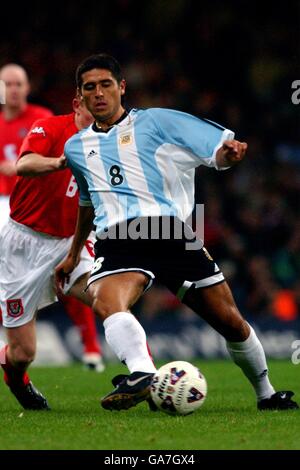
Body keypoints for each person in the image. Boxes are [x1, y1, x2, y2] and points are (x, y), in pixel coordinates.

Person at [55, 53, 298, 412]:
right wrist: (75, 253)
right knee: (109, 301)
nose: (99, 93)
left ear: (121, 87)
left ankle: (266, 394)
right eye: (90, 87)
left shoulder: (156, 122)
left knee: (230, 321)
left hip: (169, 231)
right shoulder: (75, 148)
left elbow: (214, 149)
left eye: (106, 84)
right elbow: (88, 202)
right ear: (80, 95)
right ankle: (142, 372)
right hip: (118, 237)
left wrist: (227, 153)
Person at [0, 96, 105, 411]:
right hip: (22, 243)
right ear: (76, 104)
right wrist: (60, 162)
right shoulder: (48, 127)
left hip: (70, 241)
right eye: (91, 103)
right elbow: (24, 164)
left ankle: (147, 376)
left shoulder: (111, 142)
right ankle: (17, 380)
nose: (100, 110)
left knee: (108, 298)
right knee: (22, 353)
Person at [0, 63, 52, 230]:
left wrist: (20, 165)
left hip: (35, 201)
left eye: (19, 84)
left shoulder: (43, 119)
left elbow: (54, 158)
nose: (14, 89)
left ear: (27, 88)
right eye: (8, 84)